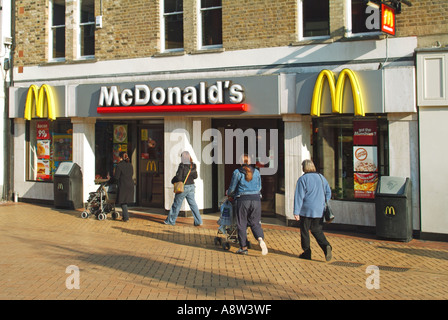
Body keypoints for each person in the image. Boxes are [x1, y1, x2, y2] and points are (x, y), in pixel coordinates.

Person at [227, 154, 268, 256]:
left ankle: (243, 247)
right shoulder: (257, 172)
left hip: (243, 200)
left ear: (240, 162)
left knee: (242, 224)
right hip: (256, 200)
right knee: (255, 223)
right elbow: (259, 187)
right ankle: (260, 239)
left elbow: (232, 188)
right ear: (250, 162)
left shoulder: (237, 172)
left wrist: (230, 194)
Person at [293, 159, 332, 261]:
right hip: (319, 209)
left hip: (306, 210)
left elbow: (299, 196)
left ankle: (307, 252)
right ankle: (326, 246)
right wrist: (323, 202)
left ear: (304, 168)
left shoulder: (303, 179)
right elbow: (328, 192)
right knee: (316, 230)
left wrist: (296, 211)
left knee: (305, 231)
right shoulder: (321, 177)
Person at [165, 151, 203, 226]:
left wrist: (173, 180)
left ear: (183, 157)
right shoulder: (193, 165)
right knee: (193, 204)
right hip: (191, 187)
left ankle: (170, 221)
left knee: (176, 204)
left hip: (183, 187)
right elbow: (195, 176)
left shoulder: (182, 165)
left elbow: (179, 177)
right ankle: (198, 221)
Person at [111, 151, 134, 222]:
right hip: (130, 185)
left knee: (123, 201)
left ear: (120, 158)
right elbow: (132, 174)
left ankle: (126, 217)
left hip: (123, 185)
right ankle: (124, 217)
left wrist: (110, 181)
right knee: (124, 201)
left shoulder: (119, 166)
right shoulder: (130, 165)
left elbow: (116, 177)